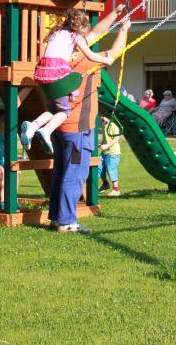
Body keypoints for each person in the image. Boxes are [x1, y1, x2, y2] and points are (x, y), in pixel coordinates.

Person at [49, 12, 131, 234]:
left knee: (61, 170)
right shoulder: (85, 61)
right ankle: (67, 222)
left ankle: (57, 218)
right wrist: (123, 30)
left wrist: (114, 14)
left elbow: (96, 32)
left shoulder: (68, 52)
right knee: (74, 173)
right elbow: (114, 52)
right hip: (78, 128)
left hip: (61, 126)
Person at [20, 6, 122, 154]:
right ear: (79, 28)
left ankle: (32, 127)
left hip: (42, 74)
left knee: (53, 110)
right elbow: (90, 55)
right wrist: (107, 60)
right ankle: (46, 131)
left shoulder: (57, 32)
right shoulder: (76, 36)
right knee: (64, 112)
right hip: (57, 74)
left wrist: (116, 12)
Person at [98, 116, 122, 197]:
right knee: (98, 167)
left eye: (103, 116)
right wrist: (101, 144)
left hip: (113, 153)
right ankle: (105, 184)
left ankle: (116, 190)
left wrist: (107, 145)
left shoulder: (113, 125)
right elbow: (106, 138)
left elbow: (116, 138)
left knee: (111, 169)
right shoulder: (104, 124)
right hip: (105, 152)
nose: (101, 118)